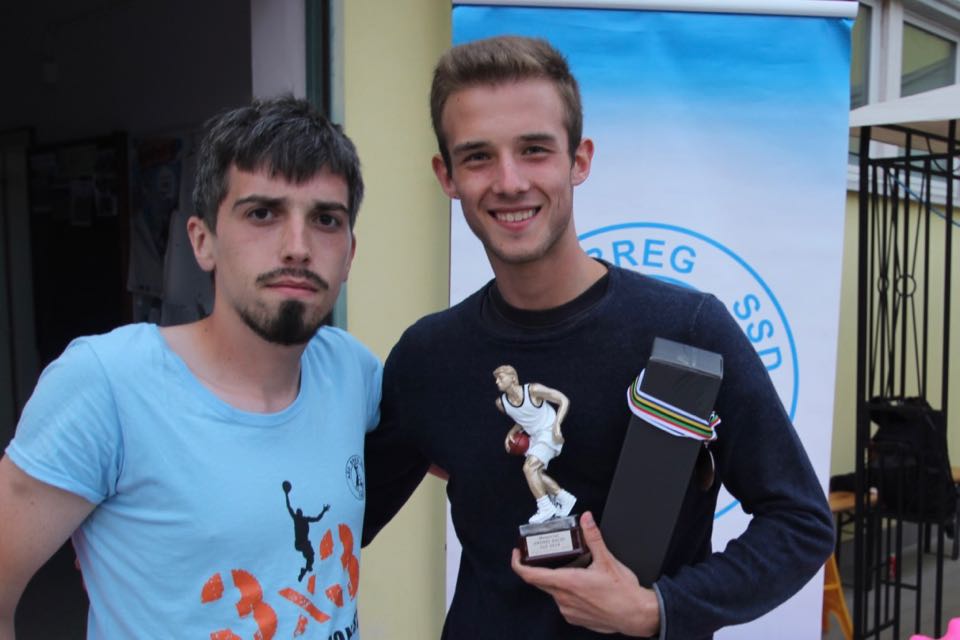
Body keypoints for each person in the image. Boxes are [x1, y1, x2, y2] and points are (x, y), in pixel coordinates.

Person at [362, 36, 834, 640]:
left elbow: (800, 523)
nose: (509, 181)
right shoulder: (427, 359)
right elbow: (342, 516)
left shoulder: (688, 329)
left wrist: (657, 609)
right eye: (477, 157)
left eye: (534, 150)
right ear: (446, 176)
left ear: (579, 160)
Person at [0, 96, 381, 639]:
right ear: (203, 241)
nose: (297, 247)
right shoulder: (107, 384)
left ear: (349, 254)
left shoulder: (351, 371)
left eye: (325, 219)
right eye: (262, 213)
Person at [494, 364, 577, 523]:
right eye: (496, 379)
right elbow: (523, 418)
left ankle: (545, 507)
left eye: (500, 378)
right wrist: (511, 432)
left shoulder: (533, 390)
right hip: (535, 437)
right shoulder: (501, 403)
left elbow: (563, 399)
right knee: (536, 474)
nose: (497, 381)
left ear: (513, 378)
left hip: (549, 432)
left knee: (529, 468)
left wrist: (557, 424)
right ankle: (564, 498)